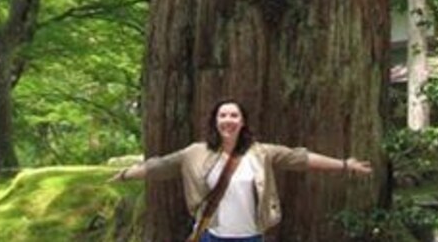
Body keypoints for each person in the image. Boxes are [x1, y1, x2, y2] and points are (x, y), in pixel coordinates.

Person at [111, 98, 373, 241]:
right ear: (215, 122)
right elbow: (160, 166)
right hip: (211, 235)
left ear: (242, 121)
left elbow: (301, 158)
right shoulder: (195, 153)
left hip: (251, 237)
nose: (228, 120)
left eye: (233, 115)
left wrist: (343, 165)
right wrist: (125, 174)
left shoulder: (261, 153)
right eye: (222, 116)